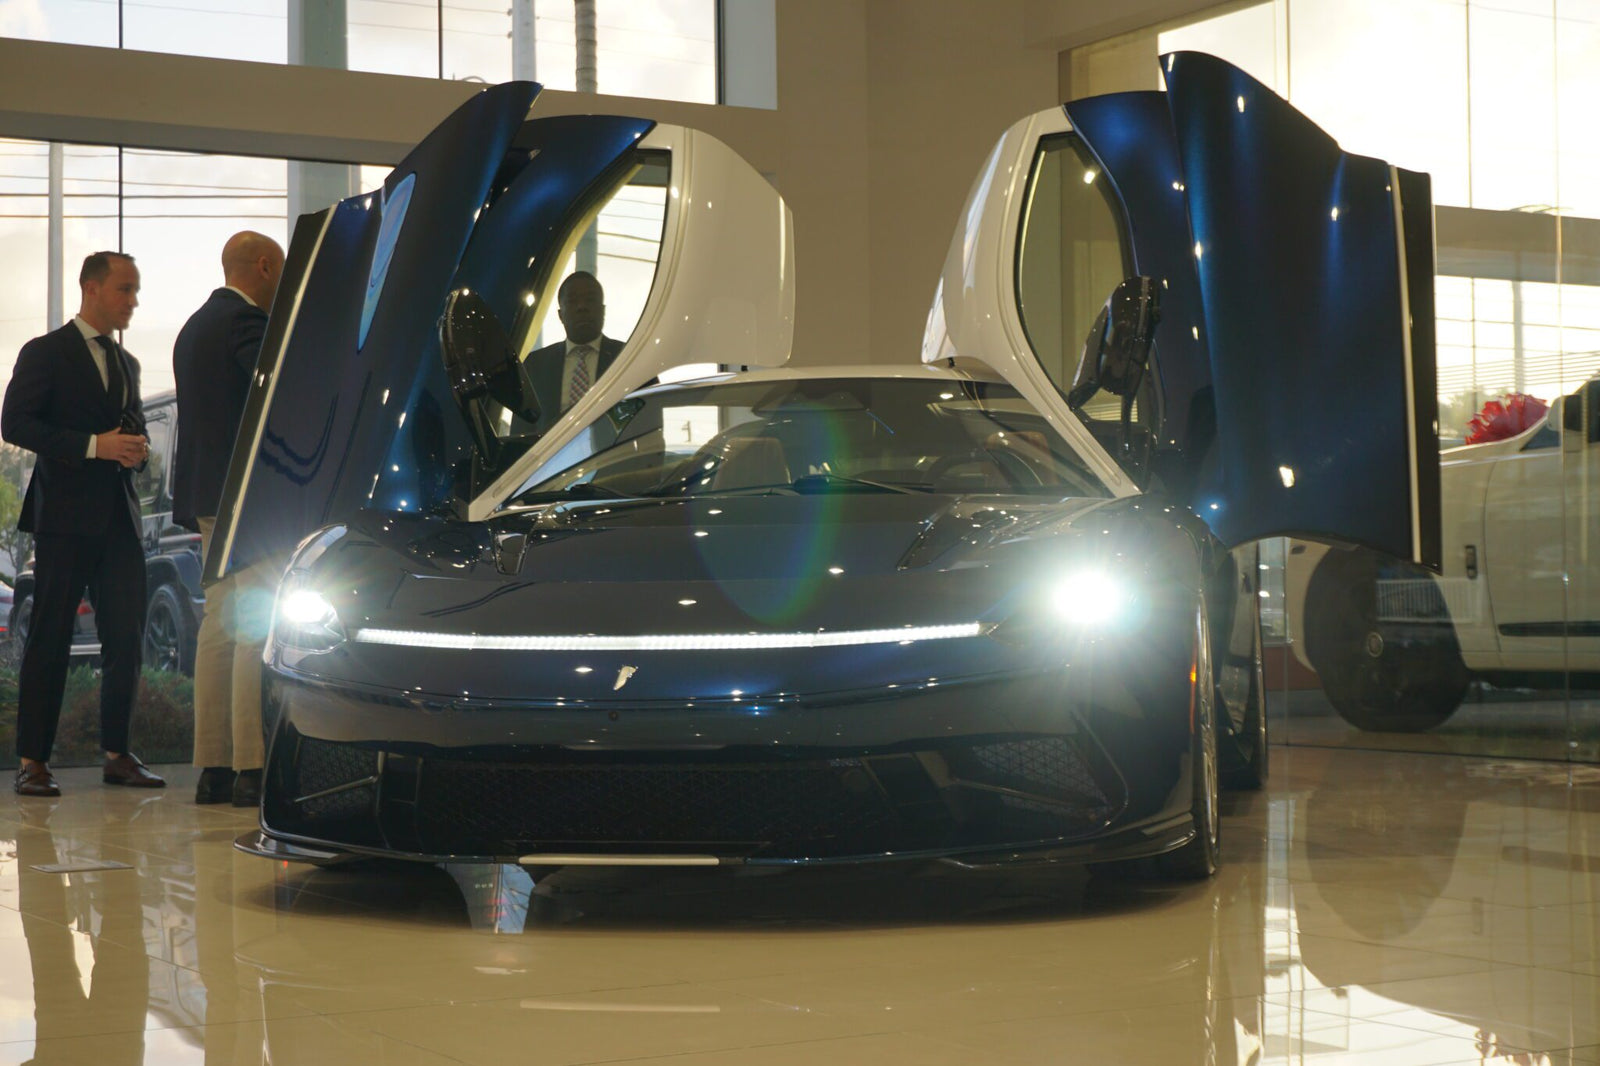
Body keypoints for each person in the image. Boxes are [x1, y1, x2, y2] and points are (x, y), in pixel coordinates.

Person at [2, 250, 162, 796]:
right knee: (49, 637)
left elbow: (130, 426)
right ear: (91, 289)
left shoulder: (127, 363)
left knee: (126, 636)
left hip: (119, 519)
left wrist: (136, 450)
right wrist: (96, 446)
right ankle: (33, 762)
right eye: (125, 289)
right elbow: (15, 422)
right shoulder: (45, 352)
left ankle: (118, 755)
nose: (133, 301)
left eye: (135, 290)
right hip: (64, 520)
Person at [171, 231, 284, 806]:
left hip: (207, 497)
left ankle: (211, 767)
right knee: (254, 624)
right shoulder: (248, 325)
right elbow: (277, 398)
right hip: (251, 496)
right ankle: (250, 768)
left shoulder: (191, 328)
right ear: (263, 267)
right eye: (281, 273)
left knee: (218, 622)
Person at [525, 272, 624, 431]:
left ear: (603, 310)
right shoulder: (535, 365)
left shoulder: (627, 357)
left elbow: (649, 424)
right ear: (560, 315)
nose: (582, 307)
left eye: (590, 300)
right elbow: (522, 432)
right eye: (572, 301)